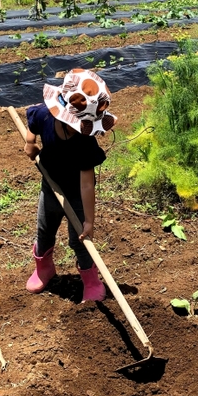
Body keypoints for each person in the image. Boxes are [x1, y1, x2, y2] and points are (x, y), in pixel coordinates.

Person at [23, 68, 117, 302]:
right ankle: (44, 269)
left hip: (76, 194)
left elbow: (87, 184)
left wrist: (89, 221)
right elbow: (31, 126)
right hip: (50, 186)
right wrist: (29, 144)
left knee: (80, 240)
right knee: (45, 231)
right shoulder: (45, 116)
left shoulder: (85, 142)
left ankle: (91, 280)